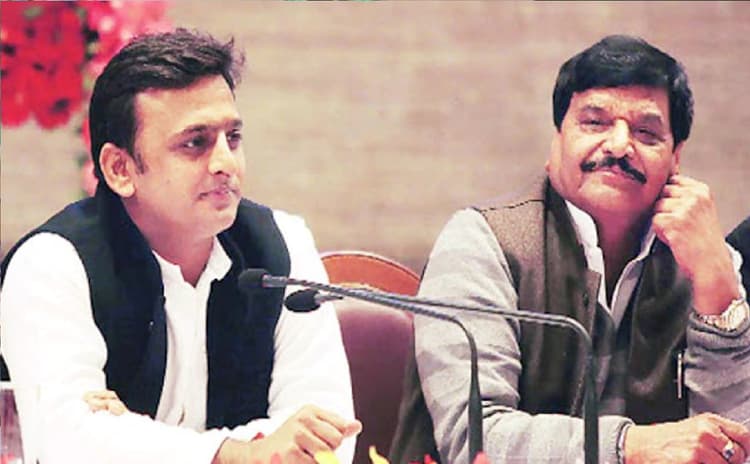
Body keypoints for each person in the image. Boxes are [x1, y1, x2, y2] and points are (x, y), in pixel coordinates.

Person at [0, 29, 360, 464]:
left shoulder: (283, 247)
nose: (225, 163)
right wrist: (239, 454)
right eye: (195, 143)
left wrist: (130, 438)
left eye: (233, 138)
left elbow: (329, 433)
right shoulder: (52, 265)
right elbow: (66, 444)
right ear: (120, 169)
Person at [390, 35, 750, 464]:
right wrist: (630, 447)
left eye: (646, 132)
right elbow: (476, 439)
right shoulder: (480, 242)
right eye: (595, 123)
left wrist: (719, 294)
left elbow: (733, 444)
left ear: (676, 159)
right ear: (556, 141)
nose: (619, 146)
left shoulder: (705, 259)